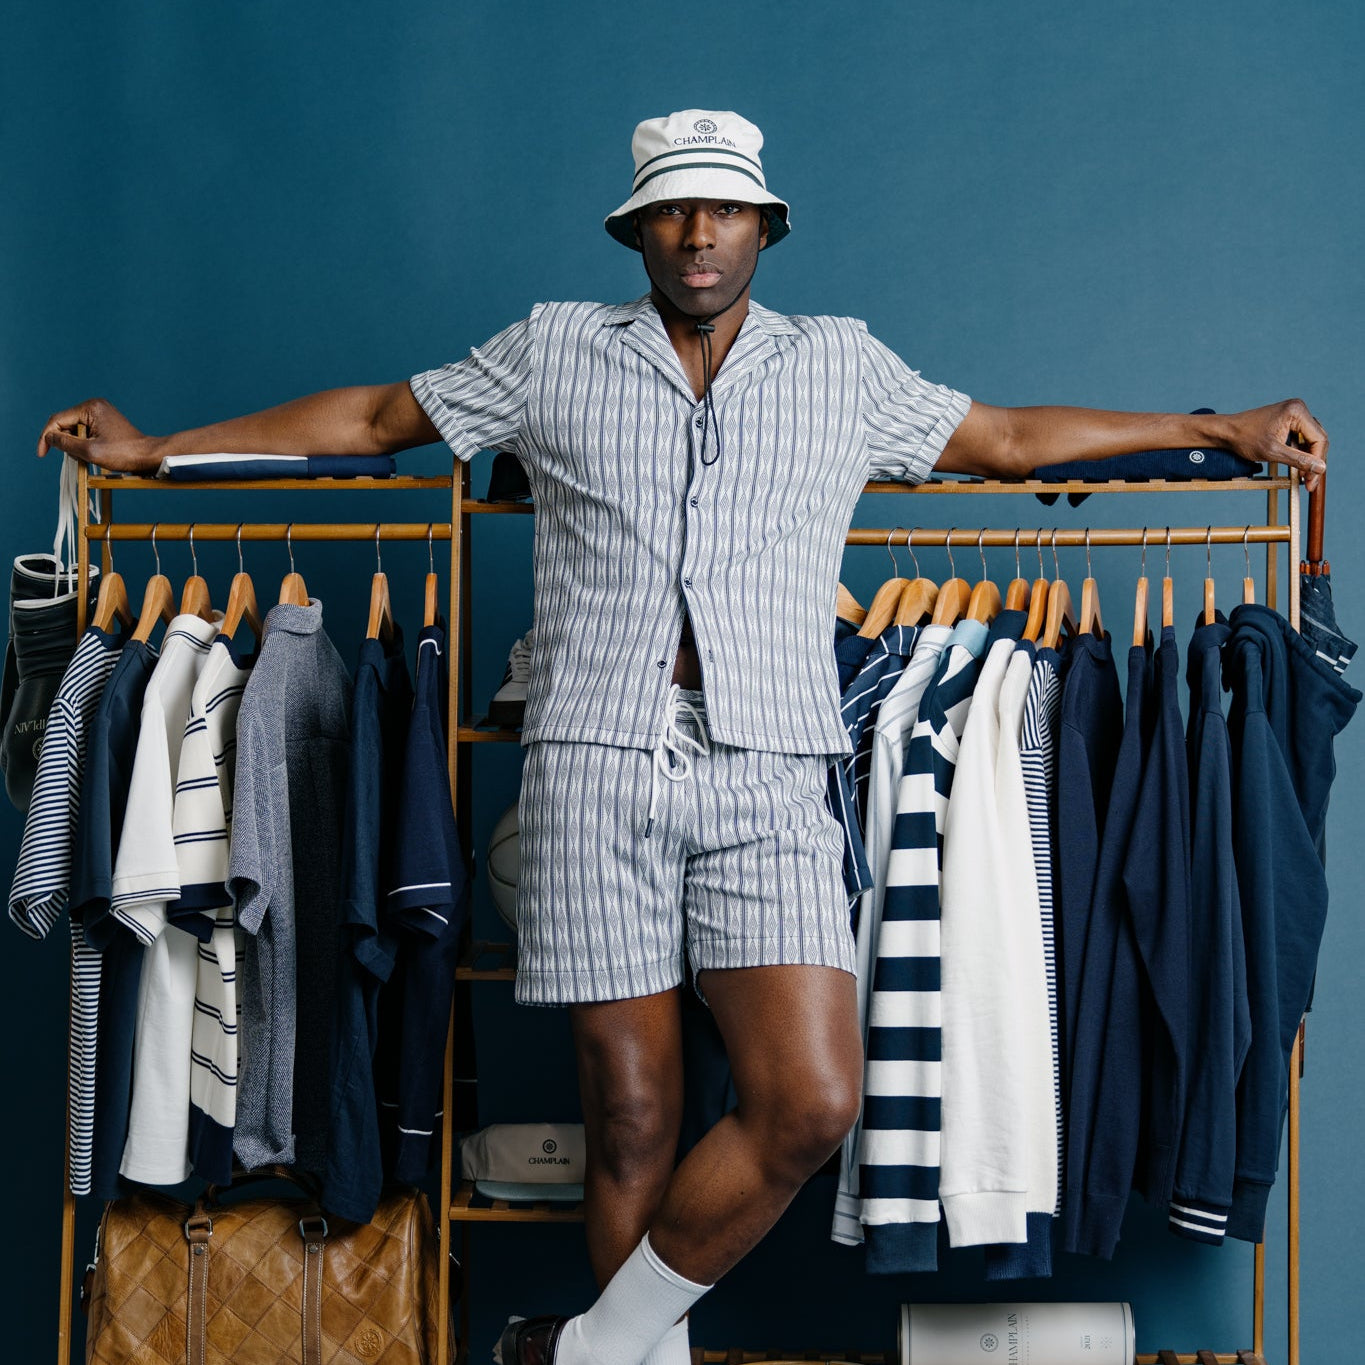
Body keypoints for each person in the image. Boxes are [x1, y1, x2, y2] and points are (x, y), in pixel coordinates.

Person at [39, 109, 1327, 1365]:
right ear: (637, 231)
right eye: (672, 211)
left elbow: (1003, 442)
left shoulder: (843, 366)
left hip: (773, 769)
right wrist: (157, 451)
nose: (697, 234)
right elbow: (377, 422)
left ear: (765, 226)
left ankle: (591, 1348)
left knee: (808, 1102)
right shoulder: (553, 353)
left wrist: (1217, 429)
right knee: (633, 1119)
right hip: (595, 769)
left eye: (721, 210)